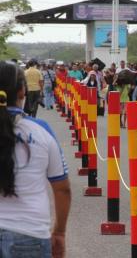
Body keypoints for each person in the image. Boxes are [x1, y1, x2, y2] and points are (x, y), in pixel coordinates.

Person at [0, 61, 71, 258]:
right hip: (30, 233)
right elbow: (62, 188)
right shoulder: (41, 130)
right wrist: (59, 232)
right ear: (22, 91)